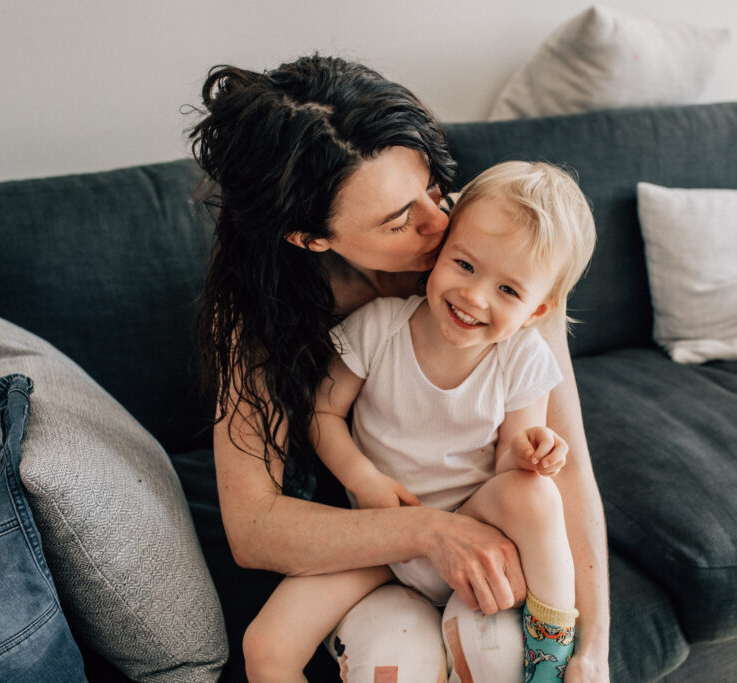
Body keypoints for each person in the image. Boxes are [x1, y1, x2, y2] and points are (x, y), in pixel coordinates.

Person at [190, 55, 611, 682]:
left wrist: (593, 650)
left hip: (477, 501)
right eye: (398, 219)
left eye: (432, 190)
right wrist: (425, 531)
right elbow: (253, 529)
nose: (441, 225)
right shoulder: (262, 314)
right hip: (358, 526)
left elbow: (563, 460)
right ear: (310, 238)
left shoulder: (499, 239)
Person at [245, 161, 596, 683]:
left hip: (477, 526)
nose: (475, 297)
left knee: (536, 493)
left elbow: (509, 464)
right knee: (266, 646)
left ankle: (550, 659)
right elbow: (321, 414)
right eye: (465, 265)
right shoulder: (380, 327)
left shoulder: (522, 358)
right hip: (383, 538)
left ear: (537, 310)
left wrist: (532, 452)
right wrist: (362, 479)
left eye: (508, 291)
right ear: (442, 249)